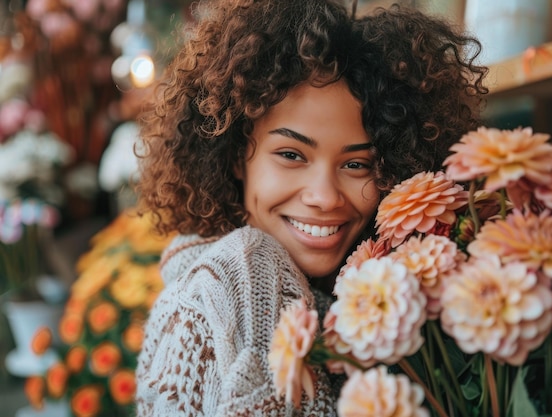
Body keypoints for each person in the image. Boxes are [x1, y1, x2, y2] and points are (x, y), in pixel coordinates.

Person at [134, 0, 487, 415]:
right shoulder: (248, 273)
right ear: (232, 154)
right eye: (292, 155)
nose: (324, 196)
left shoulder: (373, 286)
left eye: (356, 164)